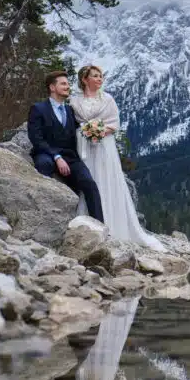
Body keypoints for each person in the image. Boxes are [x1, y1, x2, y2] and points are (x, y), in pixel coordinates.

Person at [69, 65, 166, 251]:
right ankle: (88, 223)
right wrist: (86, 132)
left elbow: (114, 124)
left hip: (104, 145)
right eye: (95, 76)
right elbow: (73, 124)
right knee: (90, 181)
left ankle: (114, 225)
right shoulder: (74, 101)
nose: (100, 79)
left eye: (101, 76)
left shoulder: (108, 99)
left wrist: (98, 131)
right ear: (84, 79)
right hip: (84, 147)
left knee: (108, 181)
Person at [27, 70, 104, 223]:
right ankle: (43, 218)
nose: (68, 87)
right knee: (44, 166)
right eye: (63, 84)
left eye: (68, 84)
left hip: (70, 157)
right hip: (46, 154)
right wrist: (56, 156)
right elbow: (36, 138)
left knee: (89, 183)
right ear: (52, 87)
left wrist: (95, 131)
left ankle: (100, 226)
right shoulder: (38, 108)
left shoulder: (70, 110)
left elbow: (80, 130)